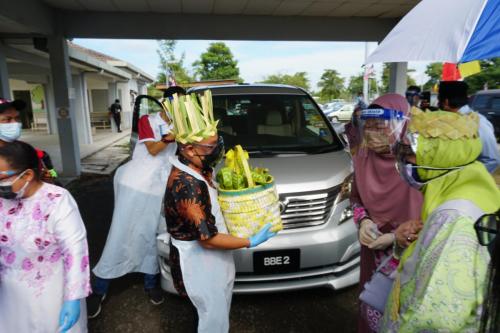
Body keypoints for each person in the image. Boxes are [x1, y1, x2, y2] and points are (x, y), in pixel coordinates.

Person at [164, 92, 277, 332]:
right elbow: (208, 239)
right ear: (189, 149)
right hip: (198, 264)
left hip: (212, 260)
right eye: (212, 146)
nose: (218, 149)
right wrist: (249, 240)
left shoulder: (197, 167)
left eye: (218, 142)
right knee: (211, 319)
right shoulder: (186, 185)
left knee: (217, 313)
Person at [380, 109, 500, 332]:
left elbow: (434, 320)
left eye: (411, 151)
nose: (405, 160)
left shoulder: (453, 220)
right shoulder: (469, 187)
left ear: (440, 154)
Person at [88, 90, 181, 318]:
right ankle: (99, 288)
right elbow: (153, 149)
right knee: (122, 233)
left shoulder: (186, 124)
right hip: (136, 184)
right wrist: (173, 135)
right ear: (165, 103)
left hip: (162, 187)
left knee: (154, 235)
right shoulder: (148, 120)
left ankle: (151, 283)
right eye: (175, 102)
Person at [350, 94, 424, 333]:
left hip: (410, 253)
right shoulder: (362, 157)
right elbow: (356, 199)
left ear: (401, 126)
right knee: (372, 305)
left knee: (403, 312)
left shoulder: (417, 165)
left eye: (380, 128)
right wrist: (364, 220)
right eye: (368, 127)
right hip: (372, 252)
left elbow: (431, 217)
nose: (372, 134)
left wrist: (394, 238)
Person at [0, 141, 91, 332]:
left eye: (1, 178)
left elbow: (75, 250)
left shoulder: (57, 200)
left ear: (28, 175)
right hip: (10, 297)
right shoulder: (2, 201)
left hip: (51, 294)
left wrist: (73, 297)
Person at [438, 81, 500, 173]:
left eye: (439, 101)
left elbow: (492, 160)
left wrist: (463, 177)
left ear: (446, 102)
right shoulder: (449, 120)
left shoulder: (478, 123)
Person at [0, 97, 59, 183]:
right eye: (8, 119)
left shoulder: (25, 149)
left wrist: (49, 175)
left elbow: (49, 172)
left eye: (17, 118)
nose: (15, 123)